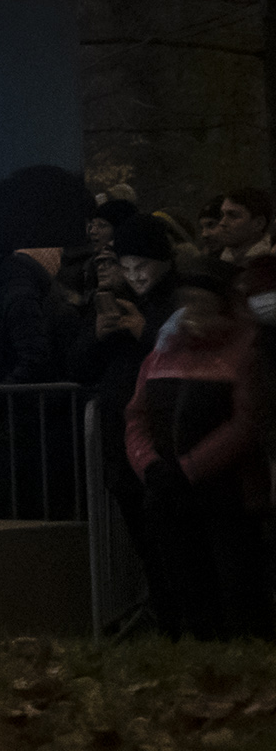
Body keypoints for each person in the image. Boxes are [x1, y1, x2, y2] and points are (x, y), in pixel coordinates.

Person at [127, 265, 270, 640]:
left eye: (201, 301)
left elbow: (246, 422)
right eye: (186, 302)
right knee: (189, 594)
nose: (191, 310)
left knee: (237, 596)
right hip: (170, 495)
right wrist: (149, 464)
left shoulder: (244, 348)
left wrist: (190, 467)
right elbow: (137, 415)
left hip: (228, 496)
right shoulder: (164, 351)